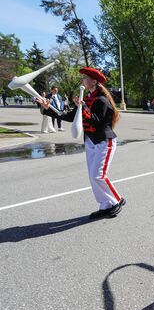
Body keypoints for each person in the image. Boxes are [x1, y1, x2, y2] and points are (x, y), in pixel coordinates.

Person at [38, 67, 126, 219]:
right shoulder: (87, 100)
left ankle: (117, 200)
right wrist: (47, 108)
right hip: (91, 142)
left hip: (105, 142)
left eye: (85, 78)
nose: (82, 80)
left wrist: (82, 105)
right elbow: (68, 116)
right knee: (93, 177)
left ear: (94, 81)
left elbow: (97, 122)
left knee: (98, 175)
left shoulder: (102, 101)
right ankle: (105, 205)